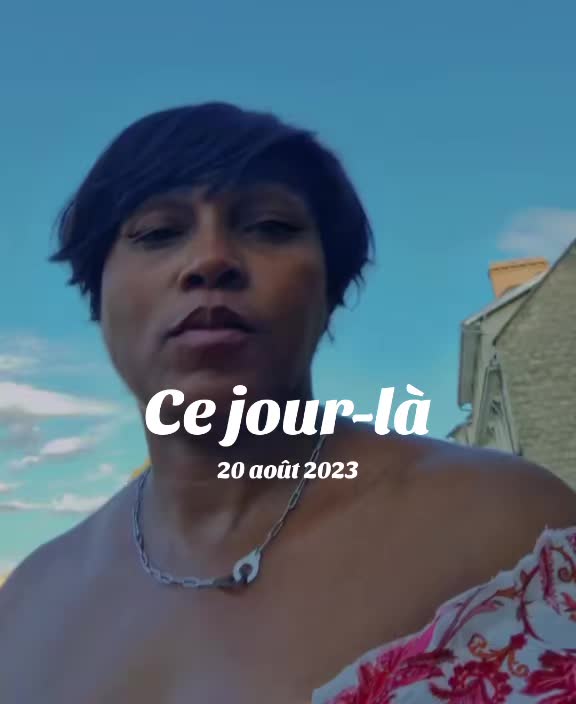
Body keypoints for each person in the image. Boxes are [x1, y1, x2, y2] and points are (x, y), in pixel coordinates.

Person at [1, 102, 575, 704]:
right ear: (97, 291)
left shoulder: (508, 531)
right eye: (158, 232)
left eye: (270, 226)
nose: (210, 259)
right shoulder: (27, 609)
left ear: (331, 288)